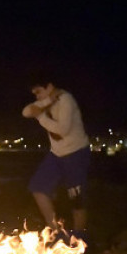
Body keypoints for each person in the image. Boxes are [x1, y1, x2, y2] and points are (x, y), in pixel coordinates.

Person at [22, 72, 90, 240]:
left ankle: (79, 239)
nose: (37, 96)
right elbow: (25, 112)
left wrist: (40, 115)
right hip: (56, 154)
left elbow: (62, 129)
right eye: (35, 94)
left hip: (76, 152)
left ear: (49, 87)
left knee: (76, 198)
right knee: (38, 187)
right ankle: (55, 233)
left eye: (39, 92)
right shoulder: (48, 101)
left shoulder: (66, 99)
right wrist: (47, 101)